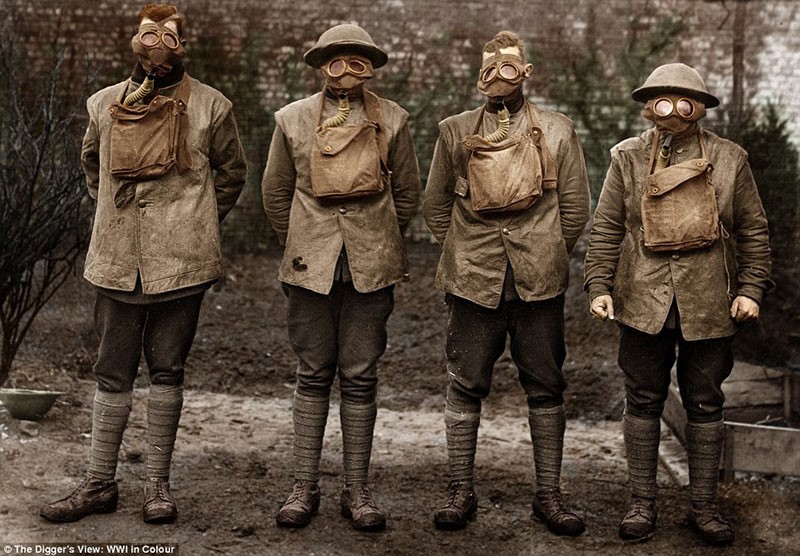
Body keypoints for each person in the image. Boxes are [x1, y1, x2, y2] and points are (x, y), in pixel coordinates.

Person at [40, 3, 247, 524]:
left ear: (183, 45)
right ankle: (98, 483)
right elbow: (93, 163)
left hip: (183, 265)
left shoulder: (212, 107)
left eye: (169, 35)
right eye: (148, 32)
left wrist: (193, 220)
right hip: (116, 261)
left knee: (167, 370)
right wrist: (115, 213)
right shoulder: (103, 104)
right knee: (112, 372)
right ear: (135, 40)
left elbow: (232, 174)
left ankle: (158, 486)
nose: (158, 42)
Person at [583, 63, 772, 546]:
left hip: (710, 301)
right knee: (643, 397)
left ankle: (704, 507)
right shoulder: (626, 157)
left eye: (683, 101)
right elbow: (605, 227)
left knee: (705, 401)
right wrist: (598, 285)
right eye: (661, 101)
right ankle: (641, 503)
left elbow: (753, 229)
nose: (670, 111)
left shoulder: (730, 160)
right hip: (642, 296)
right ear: (648, 106)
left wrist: (750, 289)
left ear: (701, 108)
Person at [423, 30, 590, 535]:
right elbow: (435, 207)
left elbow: (576, 208)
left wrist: (541, 250)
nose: (501, 78)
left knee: (545, 384)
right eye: (491, 69)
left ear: (527, 72)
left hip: (538, 284)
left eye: (510, 68)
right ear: (480, 75)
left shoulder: (558, 131)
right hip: (474, 283)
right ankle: (459, 489)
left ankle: (549, 494)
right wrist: (467, 251)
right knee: (465, 382)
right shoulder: (454, 131)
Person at [262, 23, 420, 532]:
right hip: (311, 268)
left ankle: (358, 491)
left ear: (370, 68)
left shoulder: (393, 120)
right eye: (335, 61)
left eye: (358, 62)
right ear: (319, 65)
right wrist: (306, 242)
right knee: (312, 372)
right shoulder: (292, 120)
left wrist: (376, 237)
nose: (347, 72)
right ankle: (303, 487)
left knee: (360, 375)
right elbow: (276, 192)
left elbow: (409, 195)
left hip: (371, 267)